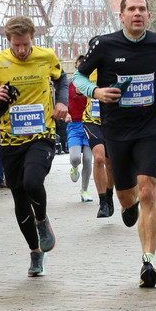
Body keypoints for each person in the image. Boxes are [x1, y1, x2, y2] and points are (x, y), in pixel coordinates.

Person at [74, 0, 156, 288]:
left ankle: (148, 262)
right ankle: (126, 204)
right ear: (121, 16)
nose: (137, 13)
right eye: (131, 9)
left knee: (148, 191)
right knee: (127, 196)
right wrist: (95, 92)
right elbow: (78, 77)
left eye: (142, 9)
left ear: (149, 15)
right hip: (117, 131)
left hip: (150, 126)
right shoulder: (105, 45)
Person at [0, 15, 69, 277]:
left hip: (42, 134)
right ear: (9, 41)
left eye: (26, 45)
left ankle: (42, 220)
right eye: (16, 45)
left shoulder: (46, 56)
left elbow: (62, 79)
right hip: (10, 139)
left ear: (32, 39)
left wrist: (62, 102)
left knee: (32, 181)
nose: (22, 51)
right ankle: (35, 253)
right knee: (18, 198)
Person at [78, 37, 114, 218]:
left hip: (112, 119)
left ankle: (109, 194)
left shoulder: (114, 64)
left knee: (110, 162)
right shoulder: (86, 68)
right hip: (91, 119)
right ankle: (103, 202)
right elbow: (77, 84)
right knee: (98, 157)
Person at [67, 55, 93, 203]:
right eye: (80, 63)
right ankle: (74, 167)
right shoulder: (70, 83)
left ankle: (84, 190)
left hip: (90, 124)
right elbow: (73, 95)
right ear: (76, 65)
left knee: (88, 159)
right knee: (76, 157)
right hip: (74, 124)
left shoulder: (93, 81)